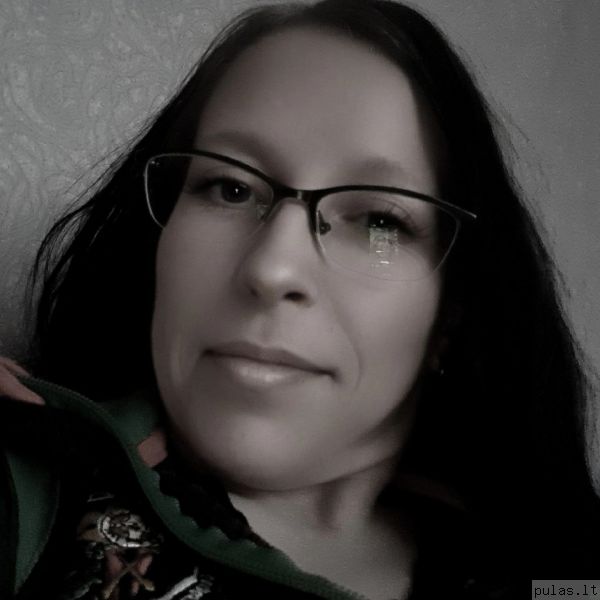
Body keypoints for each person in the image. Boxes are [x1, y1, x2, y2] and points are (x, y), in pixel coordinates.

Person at [1, 1, 599, 598]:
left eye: (379, 220)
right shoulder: (30, 483)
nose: (272, 268)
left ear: (452, 314)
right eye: (230, 187)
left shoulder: (562, 571)